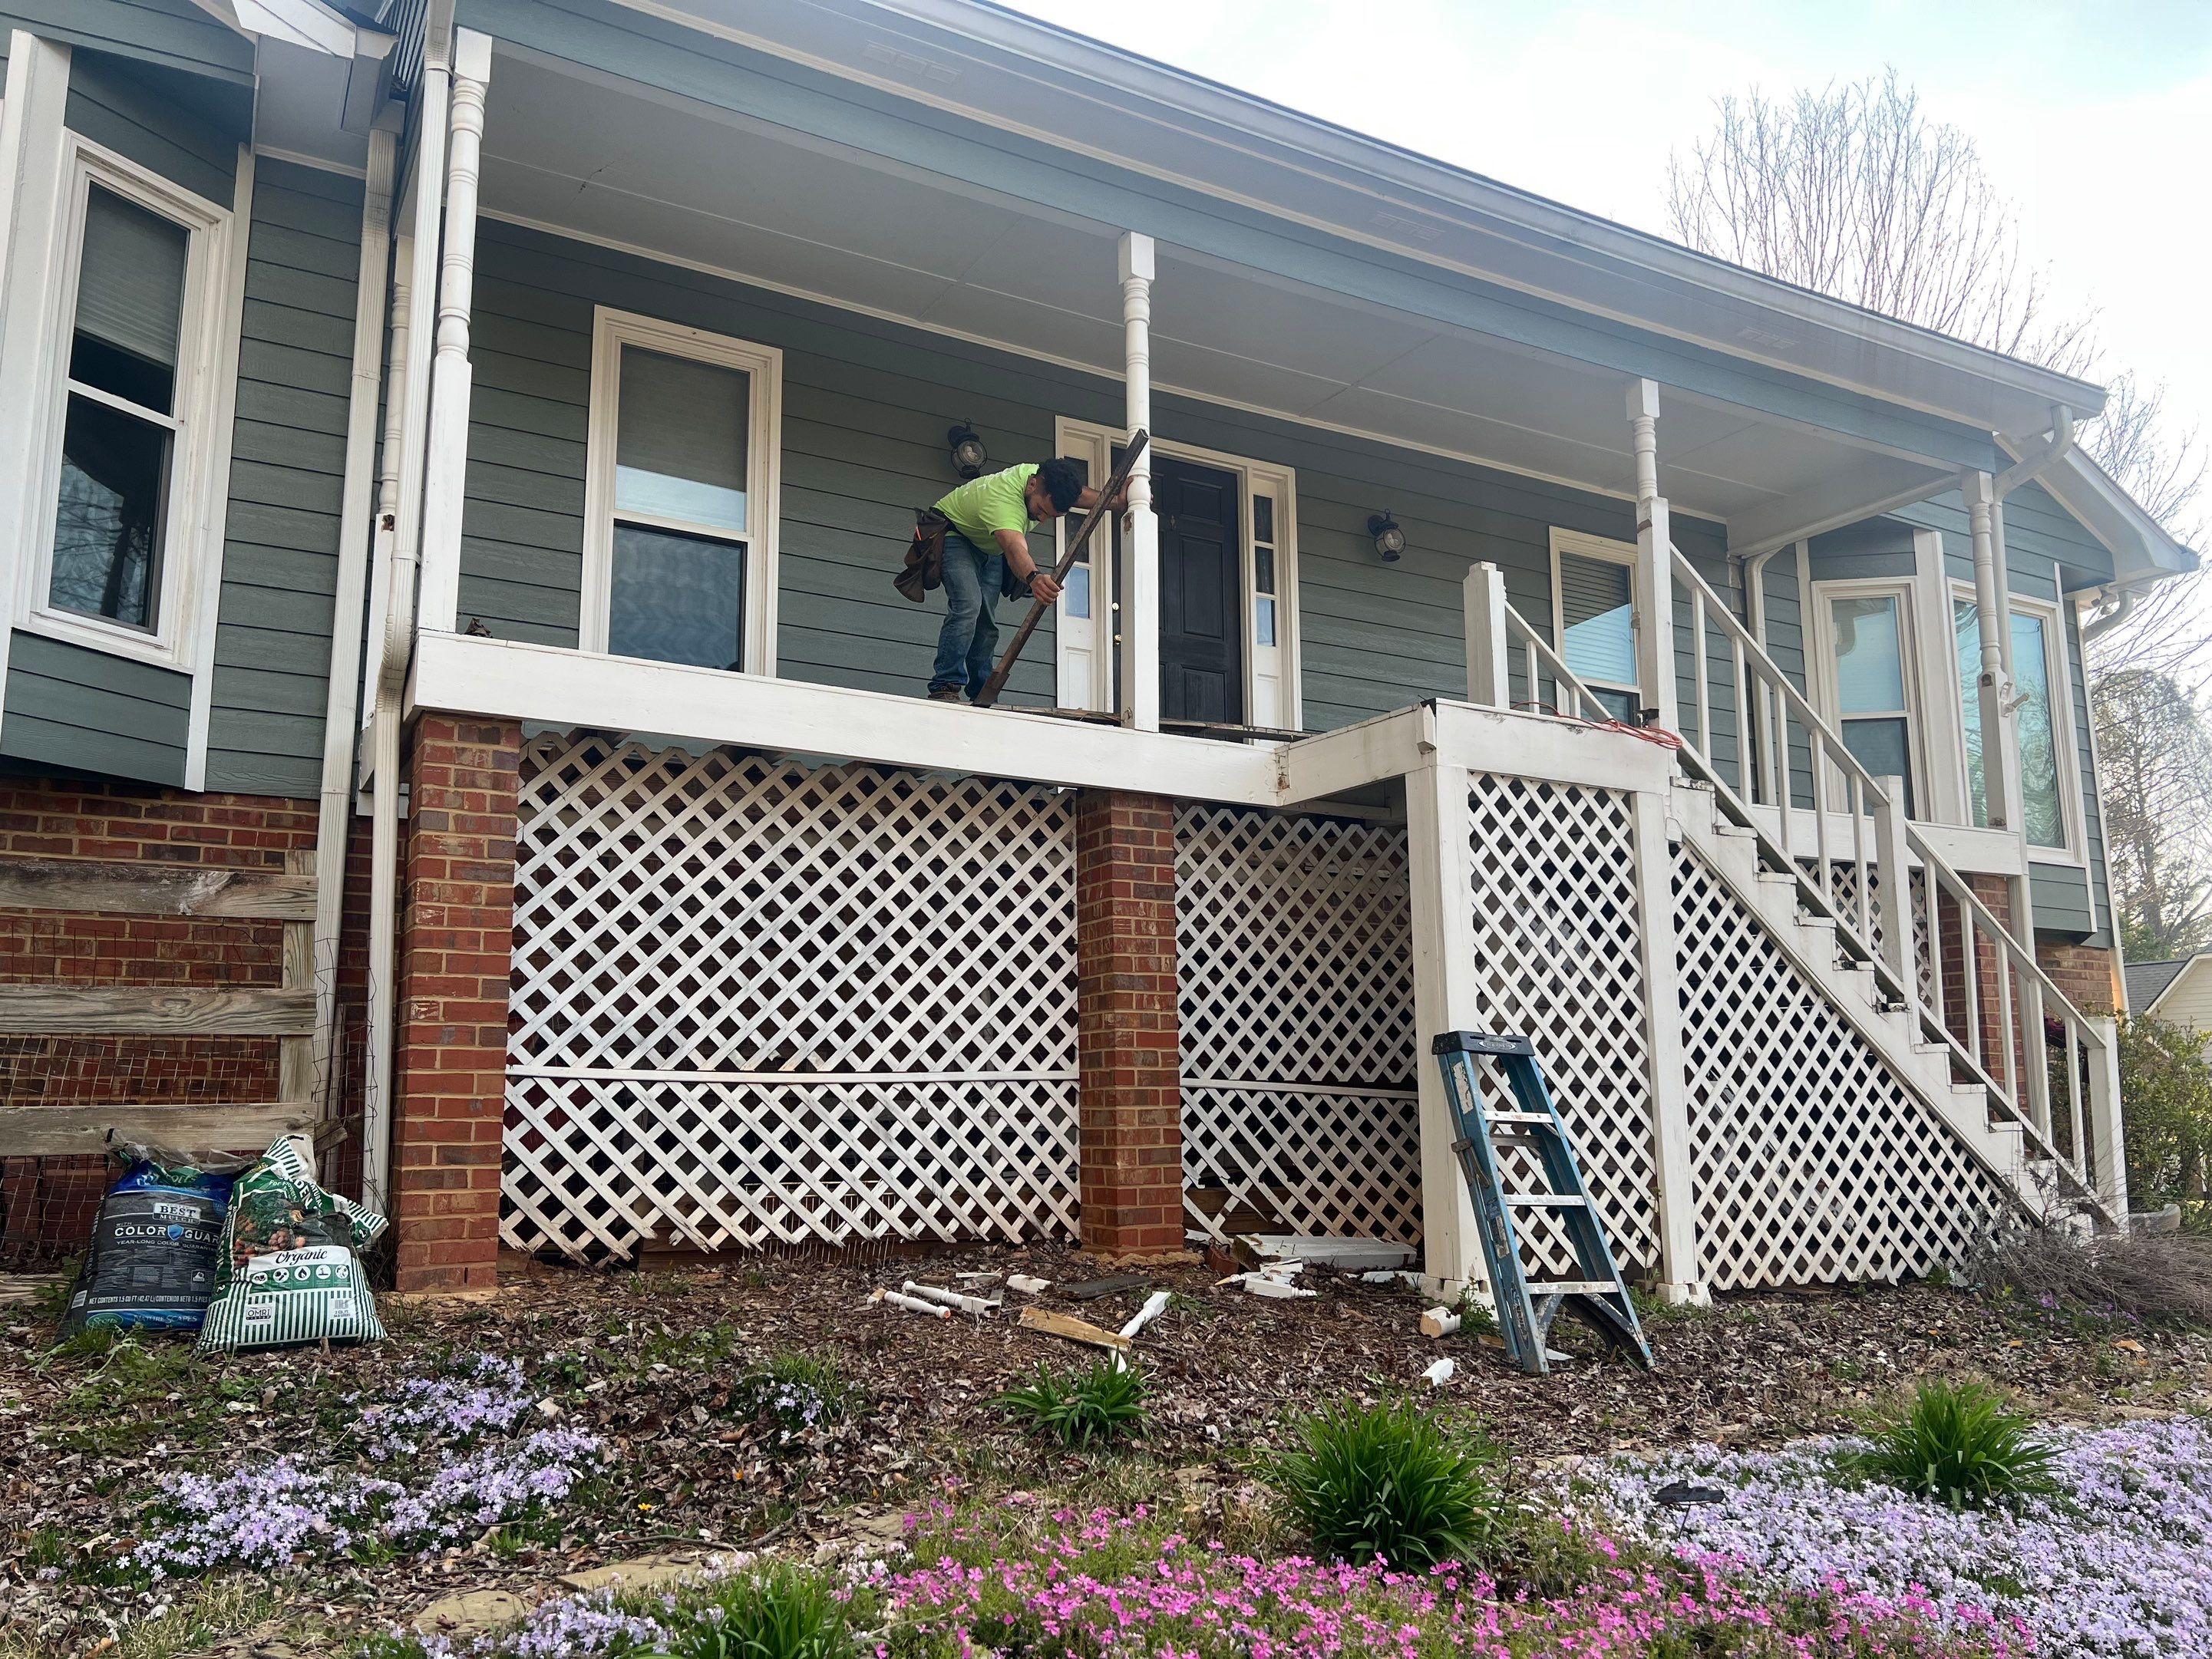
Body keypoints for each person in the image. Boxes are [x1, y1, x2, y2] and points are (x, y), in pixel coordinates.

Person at [926, 457, 1123, 703]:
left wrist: (1117, 501)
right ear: (1031, 486)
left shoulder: (1044, 478)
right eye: (1041, 510)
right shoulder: (1004, 502)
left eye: (1050, 516)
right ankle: (945, 686)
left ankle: (982, 693)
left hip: (988, 546)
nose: (1041, 520)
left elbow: (1079, 495)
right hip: (956, 534)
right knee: (968, 606)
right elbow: (1014, 547)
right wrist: (1034, 577)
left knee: (986, 623)